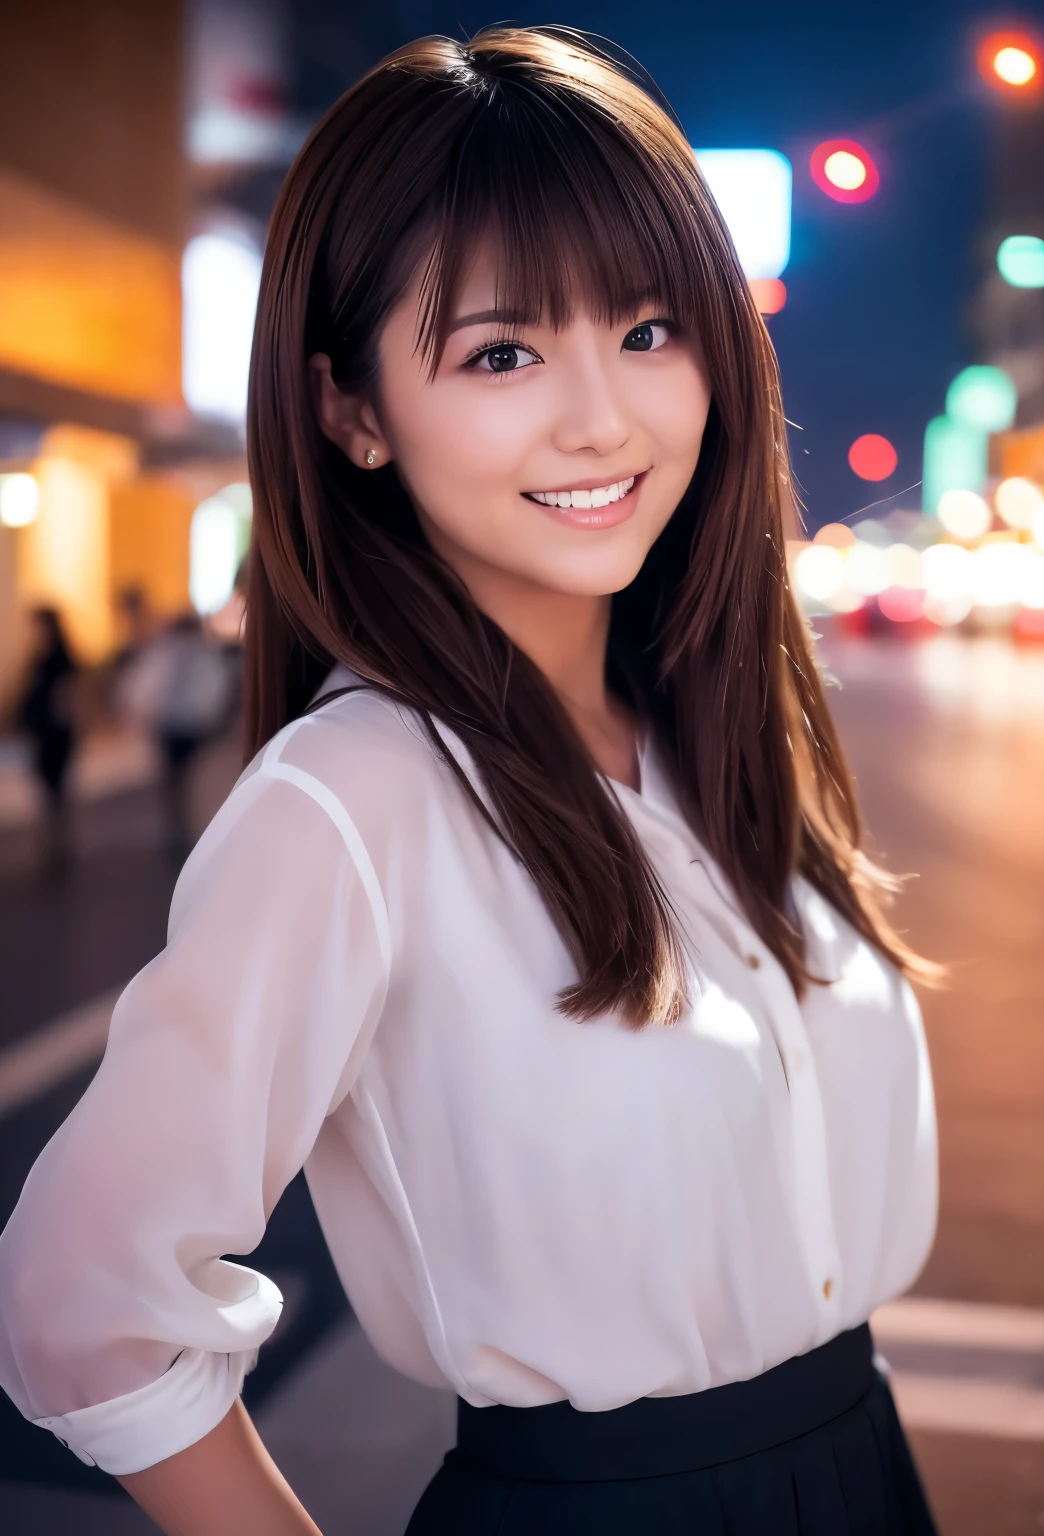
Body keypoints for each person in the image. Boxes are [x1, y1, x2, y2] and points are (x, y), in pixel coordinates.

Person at [0, 28, 941, 1535]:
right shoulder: (354, 797)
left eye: (648, 332)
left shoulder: (716, 740)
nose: (602, 419)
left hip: (859, 1471)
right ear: (351, 412)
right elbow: (79, 1302)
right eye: (502, 353)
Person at [117, 613, 238, 854]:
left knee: (175, 778)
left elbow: (142, 687)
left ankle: (178, 826)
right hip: (188, 725)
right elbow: (215, 688)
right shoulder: (198, 654)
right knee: (183, 777)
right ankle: (183, 826)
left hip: (174, 725)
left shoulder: (167, 653)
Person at [16, 605, 77, 866]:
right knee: (48, 787)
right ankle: (53, 840)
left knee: (55, 787)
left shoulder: (59, 658)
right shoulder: (41, 656)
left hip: (56, 731)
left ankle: (58, 841)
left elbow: (68, 695)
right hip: (43, 730)